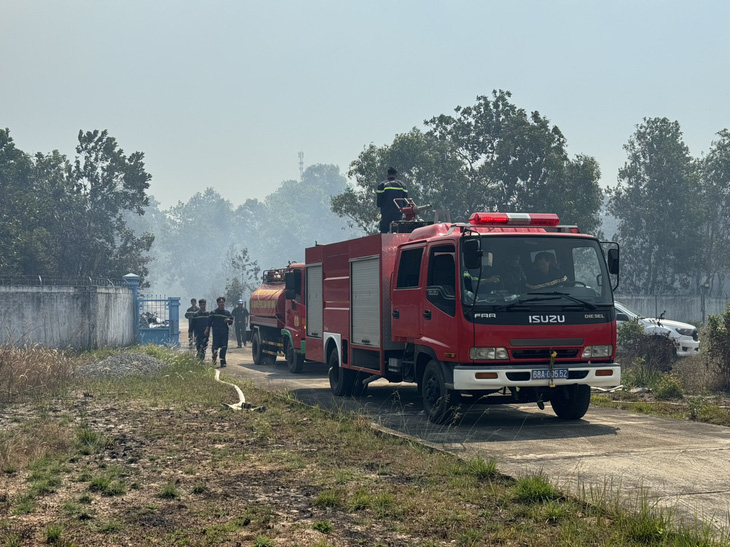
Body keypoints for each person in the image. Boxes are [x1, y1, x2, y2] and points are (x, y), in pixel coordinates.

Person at [376, 167, 408, 233]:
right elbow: (406, 201)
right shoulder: (402, 185)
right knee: (397, 231)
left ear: (387, 175)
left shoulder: (382, 185)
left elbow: (378, 203)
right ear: (396, 175)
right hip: (398, 213)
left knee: (384, 231)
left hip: (386, 213)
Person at [207, 296, 233, 367]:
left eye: (223, 302)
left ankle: (223, 361)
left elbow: (231, 322)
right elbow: (209, 323)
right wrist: (207, 330)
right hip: (216, 333)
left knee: (224, 347)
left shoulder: (227, 313)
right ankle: (214, 357)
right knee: (215, 347)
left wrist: (229, 321)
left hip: (224, 333)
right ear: (217, 303)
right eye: (220, 302)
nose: (222, 303)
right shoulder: (213, 312)